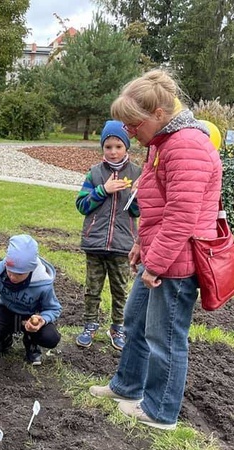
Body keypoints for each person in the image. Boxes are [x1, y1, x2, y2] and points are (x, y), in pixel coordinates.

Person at [89, 69, 222, 431]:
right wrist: (139, 243)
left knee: (165, 338)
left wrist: (156, 264)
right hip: (160, 255)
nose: (129, 133)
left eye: (134, 124)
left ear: (159, 115)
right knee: (134, 321)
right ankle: (127, 387)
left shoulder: (185, 146)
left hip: (176, 265)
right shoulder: (163, 142)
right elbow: (155, 203)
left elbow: (181, 217)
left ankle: (160, 411)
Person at [75, 121, 141, 351]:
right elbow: (82, 205)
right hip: (95, 243)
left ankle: (117, 327)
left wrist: (136, 198)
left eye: (118, 146)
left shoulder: (136, 174)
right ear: (103, 148)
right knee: (92, 288)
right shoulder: (94, 173)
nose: (113, 152)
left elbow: (138, 212)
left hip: (123, 245)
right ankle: (90, 324)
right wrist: (103, 190)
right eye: (108, 147)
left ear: (127, 148)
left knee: (120, 289)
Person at [0, 235, 62, 367]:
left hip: (30, 317)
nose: (13, 277)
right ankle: (3, 340)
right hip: (6, 311)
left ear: (31, 270)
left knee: (50, 338)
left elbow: (53, 309)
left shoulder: (43, 284)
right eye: (10, 271)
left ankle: (31, 341)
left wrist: (41, 320)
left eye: (20, 274)